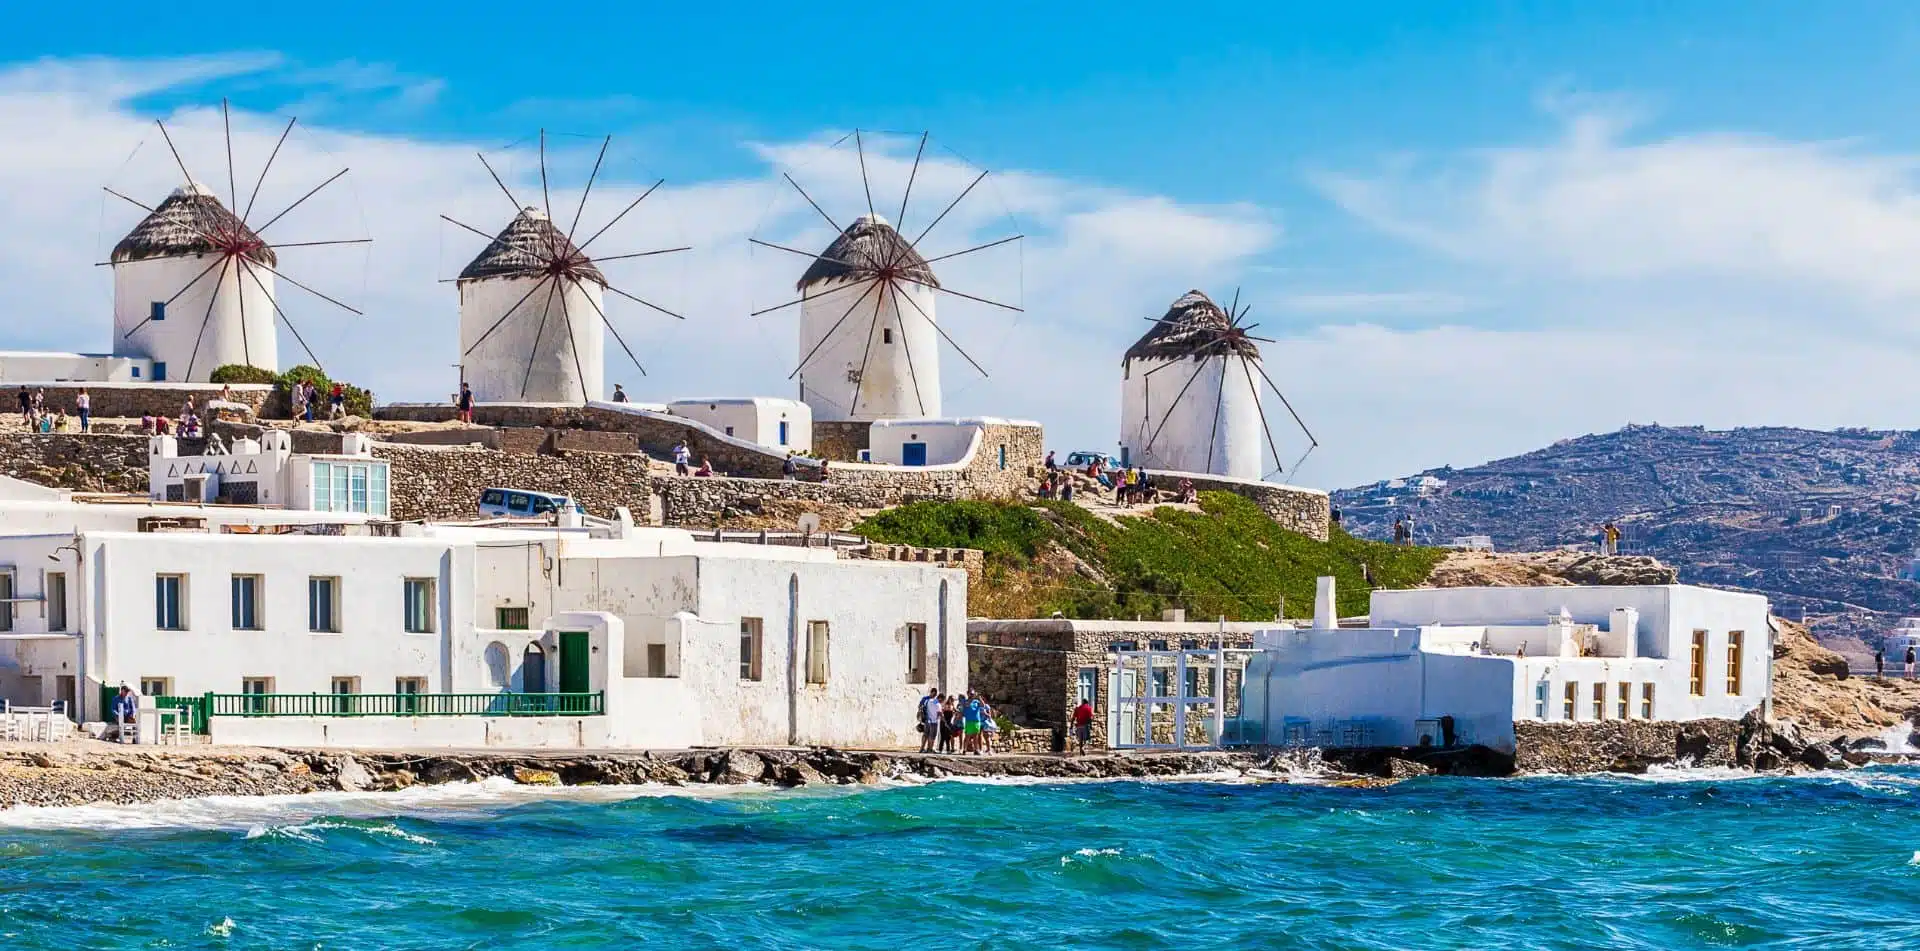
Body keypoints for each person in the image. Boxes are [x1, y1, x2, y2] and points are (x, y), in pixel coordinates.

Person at [918, 688, 942, 753]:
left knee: (926, 734)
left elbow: (919, 707)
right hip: (928, 719)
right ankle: (926, 748)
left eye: (935, 695)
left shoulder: (925, 699)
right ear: (931, 692)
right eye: (933, 694)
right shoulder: (927, 699)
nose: (934, 696)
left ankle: (924, 748)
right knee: (929, 735)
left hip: (926, 719)